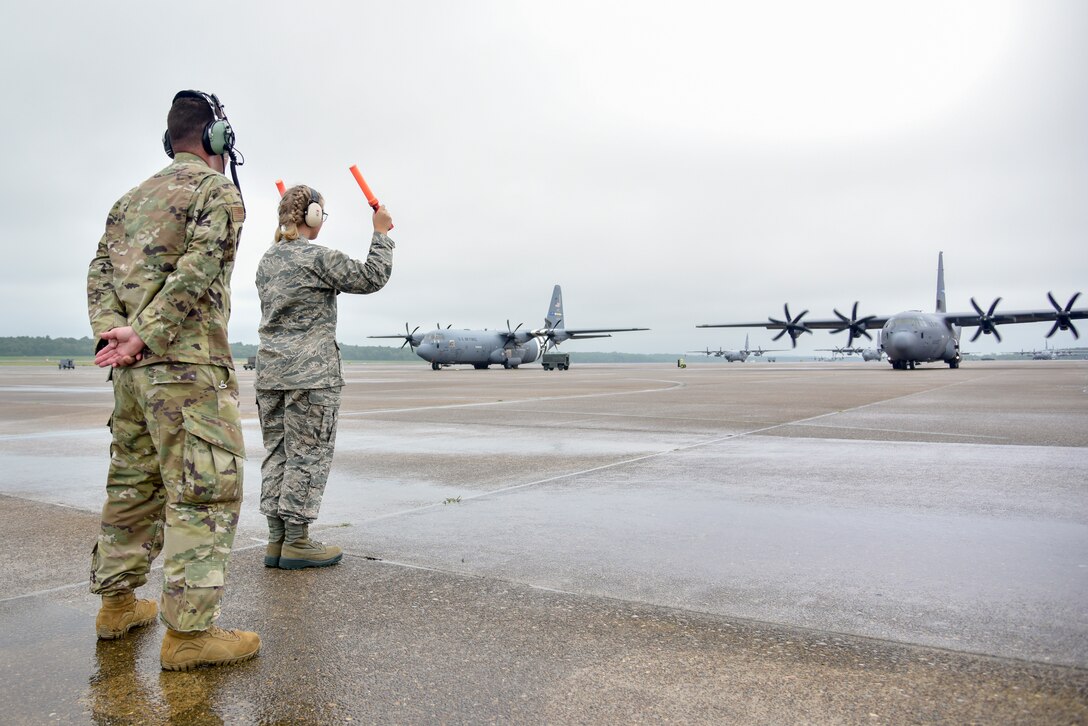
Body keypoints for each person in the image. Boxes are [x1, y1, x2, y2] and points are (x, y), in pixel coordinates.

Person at [86, 89, 260, 671]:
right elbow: (200, 266)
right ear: (217, 139)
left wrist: (115, 332)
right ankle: (189, 637)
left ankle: (117, 605)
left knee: (132, 484)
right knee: (203, 494)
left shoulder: (129, 200)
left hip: (132, 379)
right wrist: (150, 333)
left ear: (171, 139)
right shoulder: (218, 192)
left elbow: (99, 272)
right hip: (186, 372)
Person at [255, 184, 394, 569]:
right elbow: (371, 278)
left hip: (271, 374)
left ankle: (276, 539)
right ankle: (297, 541)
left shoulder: (267, 260)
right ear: (313, 216)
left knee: (278, 455)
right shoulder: (316, 258)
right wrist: (380, 234)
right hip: (312, 376)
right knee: (308, 455)